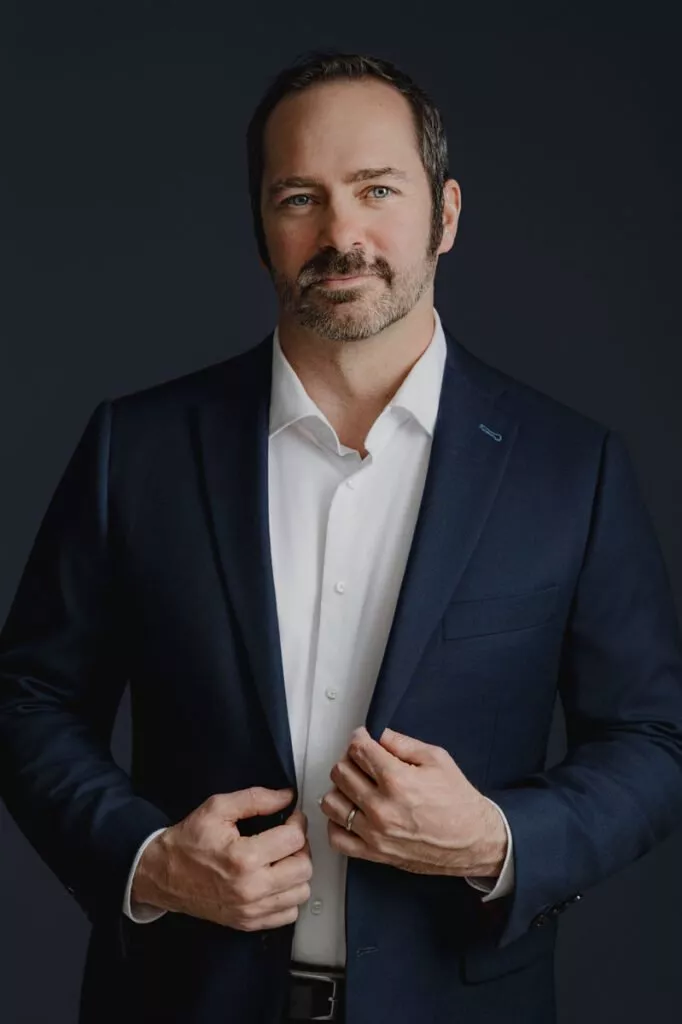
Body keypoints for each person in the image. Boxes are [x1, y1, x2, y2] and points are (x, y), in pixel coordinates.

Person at [1, 49, 682, 1024]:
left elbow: (652, 741)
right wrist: (149, 861)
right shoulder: (136, 447)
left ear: (444, 213)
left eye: (375, 189)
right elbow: (28, 699)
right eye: (298, 198)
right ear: (261, 228)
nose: (342, 232)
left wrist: (497, 839)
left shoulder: (570, 469)